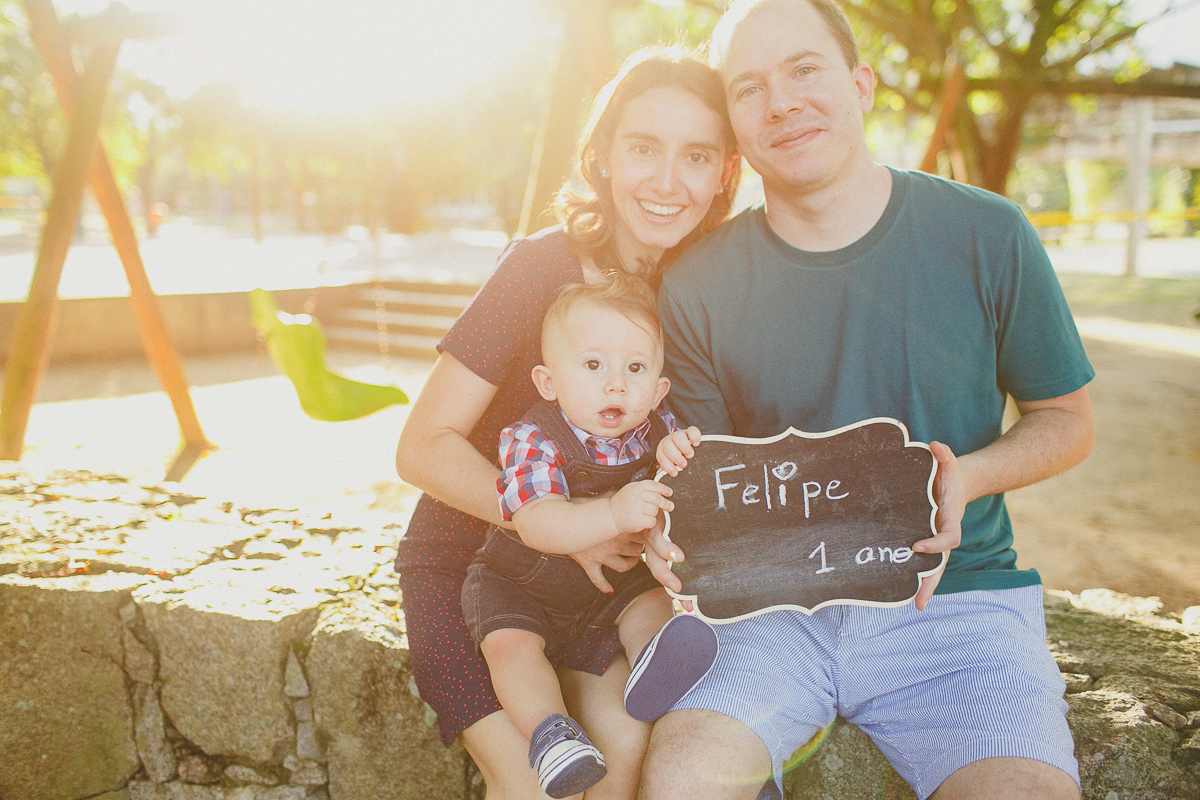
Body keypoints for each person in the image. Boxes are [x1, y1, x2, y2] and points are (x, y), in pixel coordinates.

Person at [637, 2, 1096, 800]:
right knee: (680, 782)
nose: (781, 103)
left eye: (804, 70)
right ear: (737, 127)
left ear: (861, 83)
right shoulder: (696, 283)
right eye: (749, 88)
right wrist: (673, 533)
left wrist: (969, 478)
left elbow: (1066, 421)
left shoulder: (990, 234)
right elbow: (705, 481)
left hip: (954, 606)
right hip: (764, 616)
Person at [394, 44, 740, 800]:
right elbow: (420, 447)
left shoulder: (708, 288)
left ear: (724, 173)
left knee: (619, 749)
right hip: (473, 572)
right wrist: (557, 521)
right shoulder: (538, 269)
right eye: (644, 147)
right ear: (605, 155)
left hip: (602, 594)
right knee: (532, 784)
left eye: (696, 155)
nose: (666, 180)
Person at [461, 276, 715, 799]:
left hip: (606, 592)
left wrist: (681, 458)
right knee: (510, 648)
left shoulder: (657, 430)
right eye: (594, 365)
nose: (616, 384)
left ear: (659, 389)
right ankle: (552, 735)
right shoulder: (531, 438)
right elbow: (537, 522)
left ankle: (658, 664)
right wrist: (615, 511)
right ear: (548, 382)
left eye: (636, 369)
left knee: (650, 601)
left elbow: (684, 498)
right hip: (520, 583)